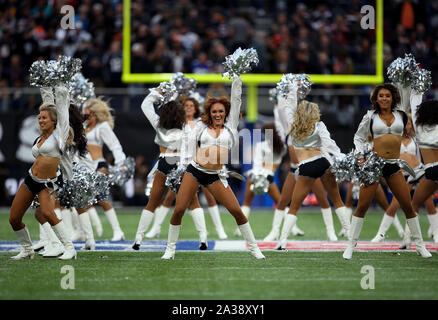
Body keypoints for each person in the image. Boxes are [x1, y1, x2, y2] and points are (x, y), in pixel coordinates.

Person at [161, 76, 265, 259]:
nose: (218, 114)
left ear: (226, 113)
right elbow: (189, 145)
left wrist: (236, 79)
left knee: (236, 211)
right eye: (215, 111)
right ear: (210, 113)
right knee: (179, 209)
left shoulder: (231, 126)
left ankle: (255, 248)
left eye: (221, 111)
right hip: (195, 171)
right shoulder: (201, 126)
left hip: (215, 175)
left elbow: (237, 99)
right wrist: (181, 167)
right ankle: (170, 249)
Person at [343, 83, 431, 259]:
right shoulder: (370, 116)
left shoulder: (400, 114)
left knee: (407, 205)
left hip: (393, 165)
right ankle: (350, 246)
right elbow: (358, 137)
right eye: (381, 96)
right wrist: (360, 157)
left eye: (388, 96)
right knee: (362, 206)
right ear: (376, 98)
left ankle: (420, 246)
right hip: (374, 164)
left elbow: (406, 93)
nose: (384, 98)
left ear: (393, 98)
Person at [268, 85, 350, 243]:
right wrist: (342, 157)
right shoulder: (319, 126)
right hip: (324, 163)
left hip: (306, 167)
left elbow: (288, 106)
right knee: (337, 200)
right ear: (314, 114)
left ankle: (282, 241)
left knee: (294, 207)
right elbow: (330, 145)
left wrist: (292, 87)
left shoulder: (293, 127)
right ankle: (350, 235)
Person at [133, 90, 208, 250]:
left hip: (164, 162)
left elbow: (145, 105)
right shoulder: (187, 127)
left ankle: (138, 240)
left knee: (152, 203)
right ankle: (203, 239)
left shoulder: (158, 123)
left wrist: (158, 92)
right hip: (181, 164)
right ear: (181, 114)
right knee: (193, 201)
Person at [9, 85, 76, 260]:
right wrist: (45, 86)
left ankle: (69, 248)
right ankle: (27, 249)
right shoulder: (41, 137)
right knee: (14, 218)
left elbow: (61, 110)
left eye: (44, 117)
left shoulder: (59, 135)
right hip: (30, 179)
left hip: (47, 183)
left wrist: (61, 89)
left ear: (54, 121)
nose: (40, 120)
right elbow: (47, 104)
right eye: (39, 117)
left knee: (47, 213)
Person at [371, 116, 436, 242]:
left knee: (429, 203)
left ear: (412, 125)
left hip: (416, 173)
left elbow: (420, 156)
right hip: (400, 175)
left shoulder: (416, 139)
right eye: (404, 124)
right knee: (396, 204)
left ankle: (435, 233)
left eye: (409, 124)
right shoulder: (394, 138)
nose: (407, 126)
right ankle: (381, 234)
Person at [83, 98, 126, 241]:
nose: (86, 117)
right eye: (84, 115)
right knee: (82, 201)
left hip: (99, 165)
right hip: (85, 168)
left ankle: (118, 231)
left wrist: (121, 163)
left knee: (102, 199)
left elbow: (115, 145)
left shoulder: (102, 127)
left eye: (88, 115)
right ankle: (86, 233)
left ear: (95, 115)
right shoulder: (83, 128)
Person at [235, 122, 286, 237]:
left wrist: (257, 176)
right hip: (265, 177)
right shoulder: (280, 147)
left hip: (261, 177)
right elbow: (265, 165)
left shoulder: (278, 147)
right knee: (280, 203)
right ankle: (292, 228)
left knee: (247, 203)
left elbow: (263, 164)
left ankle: (240, 230)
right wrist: (260, 176)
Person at [408, 92, 438, 248]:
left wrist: (416, 92)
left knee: (414, 205)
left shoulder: (418, 127)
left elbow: (414, 108)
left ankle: (408, 241)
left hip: (430, 171)